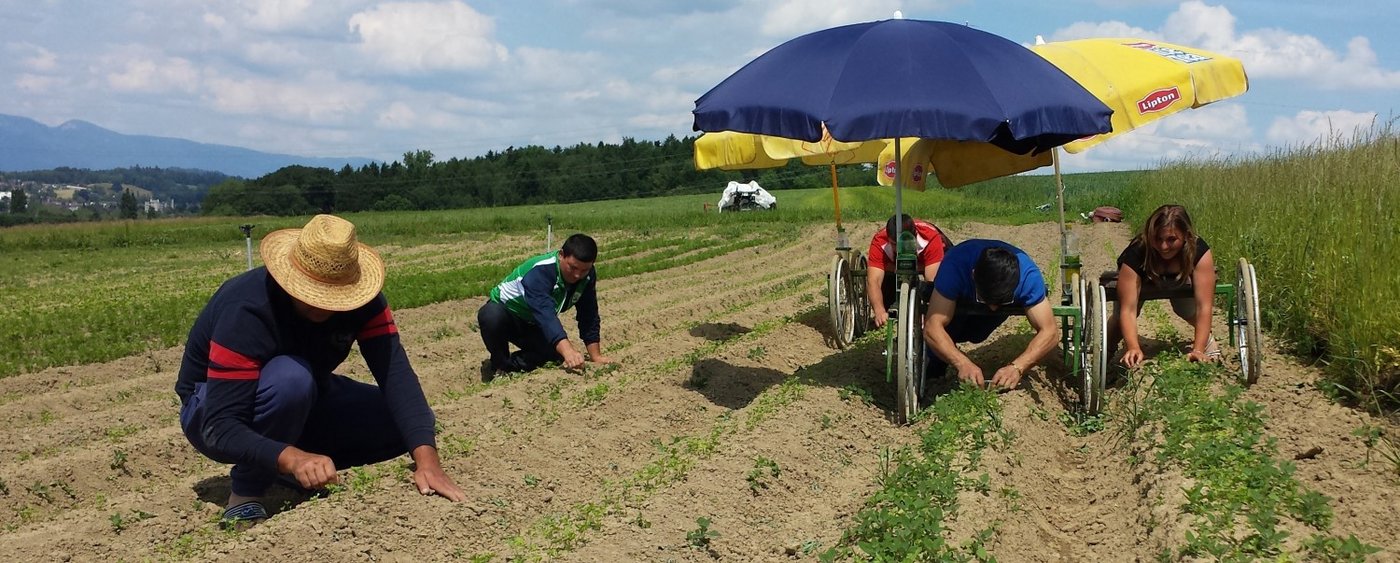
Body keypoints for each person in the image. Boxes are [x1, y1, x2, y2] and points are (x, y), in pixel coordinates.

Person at [175, 214, 465, 528]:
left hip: (304, 396)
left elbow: (396, 376)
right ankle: (247, 492)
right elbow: (222, 424)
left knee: (409, 424)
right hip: (212, 410)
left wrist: (428, 462)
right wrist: (293, 458)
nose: (324, 307)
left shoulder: (364, 302)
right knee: (291, 379)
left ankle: (287, 464)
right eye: (312, 293)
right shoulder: (247, 310)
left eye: (335, 297)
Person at [922, 239, 1059, 391]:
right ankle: (934, 371)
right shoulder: (954, 268)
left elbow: (1050, 332)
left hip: (983, 306)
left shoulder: (1028, 277)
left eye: (1001, 301)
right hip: (962, 295)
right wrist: (962, 363)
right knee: (949, 333)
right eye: (987, 299)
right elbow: (932, 327)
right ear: (973, 275)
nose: (993, 308)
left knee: (977, 335)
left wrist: (1018, 367)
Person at [477, 233, 616, 380]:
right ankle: (499, 365)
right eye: (573, 268)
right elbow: (546, 315)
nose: (577, 275)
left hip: (532, 322)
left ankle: (512, 364)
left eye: (584, 270)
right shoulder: (540, 271)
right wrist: (568, 350)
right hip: (508, 315)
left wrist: (596, 356)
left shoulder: (586, 277)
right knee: (491, 315)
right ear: (561, 255)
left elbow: (589, 313)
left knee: (555, 356)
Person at [1109, 204, 1218, 368]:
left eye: (1171, 240)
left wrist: (1198, 350)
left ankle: (1206, 339)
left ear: (1186, 236)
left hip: (1179, 281)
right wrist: (1133, 347)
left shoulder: (1198, 251)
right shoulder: (1137, 252)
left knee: (1186, 310)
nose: (1163, 246)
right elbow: (1128, 310)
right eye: (1158, 239)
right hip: (1143, 280)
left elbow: (1204, 306)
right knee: (1119, 319)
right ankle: (1107, 352)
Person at [865, 214, 953, 328]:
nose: (898, 249)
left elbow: (932, 281)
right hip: (896, 265)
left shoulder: (930, 238)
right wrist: (879, 310)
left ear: (914, 236)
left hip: (936, 256)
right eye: (894, 244)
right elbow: (874, 281)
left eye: (904, 244)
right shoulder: (879, 241)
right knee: (888, 304)